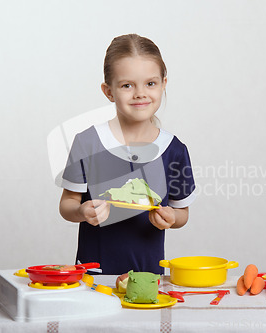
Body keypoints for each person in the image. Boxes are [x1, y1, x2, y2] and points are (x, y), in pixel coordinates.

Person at [59, 34, 196, 275]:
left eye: (150, 84)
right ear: (108, 91)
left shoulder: (174, 151)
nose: (140, 93)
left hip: (148, 276)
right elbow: (67, 203)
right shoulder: (88, 142)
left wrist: (171, 217)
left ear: (164, 84)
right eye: (127, 85)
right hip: (95, 276)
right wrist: (81, 211)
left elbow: (182, 212)